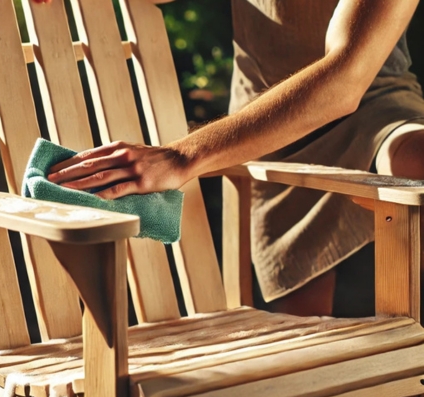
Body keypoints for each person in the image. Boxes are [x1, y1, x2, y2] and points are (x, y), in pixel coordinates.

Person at [37, 0, 424, 316]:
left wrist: (181, 155)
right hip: (264, 123)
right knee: (298, 332)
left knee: (413, 159)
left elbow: (346, 80)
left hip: (374, 106)